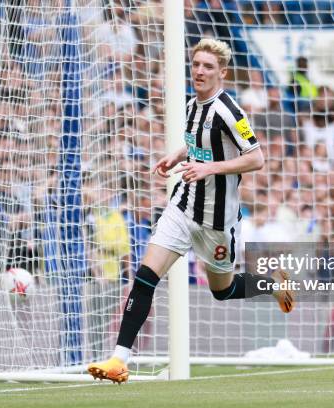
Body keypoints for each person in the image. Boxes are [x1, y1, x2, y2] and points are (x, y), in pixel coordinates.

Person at [87, 39, 294, 384]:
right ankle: (119, 360)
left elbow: (257, 158)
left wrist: (210, 168)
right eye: (196, 64)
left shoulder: (231, 111)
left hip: (218, 222)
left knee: (222, 291)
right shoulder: (191, 105)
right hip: (182, 207)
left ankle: (272, 284)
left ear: (222, 73)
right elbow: (198, 139)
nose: (199, 71)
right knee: (145, 276)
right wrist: (177, 156)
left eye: (208, 66)